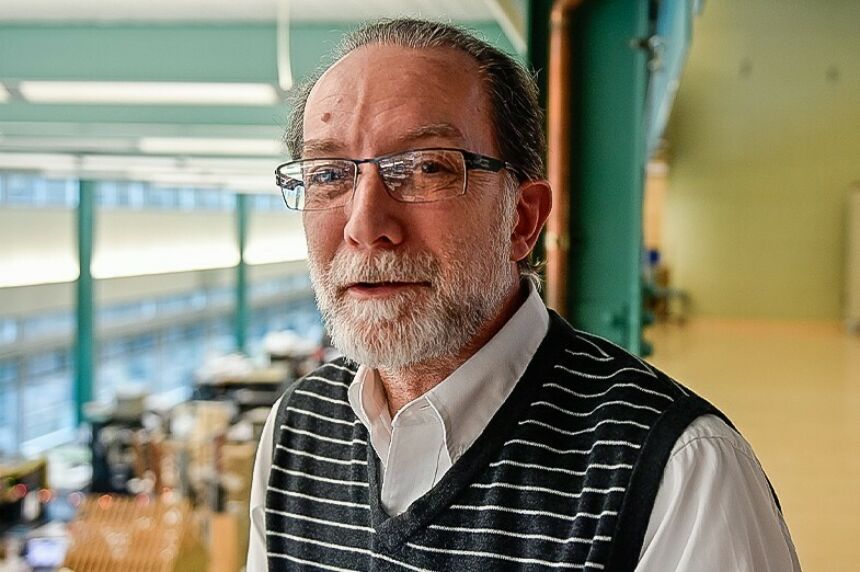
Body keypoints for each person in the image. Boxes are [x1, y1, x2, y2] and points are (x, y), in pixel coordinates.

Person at [248, 18, 799, 571]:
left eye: (425, 167)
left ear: (522, 220)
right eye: (327, 175)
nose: (365, 225)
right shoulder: (295, 426)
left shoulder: (677, 472)